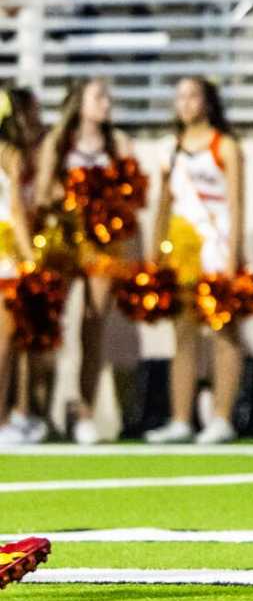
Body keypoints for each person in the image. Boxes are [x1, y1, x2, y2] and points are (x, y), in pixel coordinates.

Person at [143, 78, 247, 447]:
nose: (186, 103)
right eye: (180, 96)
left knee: (224, 332)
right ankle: (180, 419)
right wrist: (155, 253)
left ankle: (221, 417)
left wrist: (233, 256)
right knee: (183, 335)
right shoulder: (169, 149)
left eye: (193, 96)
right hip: (181, 250)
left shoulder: (225, 146)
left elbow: (235, 204)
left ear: (208, 101)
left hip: (216, 247)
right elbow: (163, 204)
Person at [35, 79, 139, 445]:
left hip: (103, 245)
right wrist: (75, 194)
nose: (106, 103)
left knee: (93, 328)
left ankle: (84, 411)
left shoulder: (118, 143)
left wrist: (107, 199)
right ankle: (41, 411)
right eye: (98, 97)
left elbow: (132, 193)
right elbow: (42, 192)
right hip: (64, 242)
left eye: (108, 97)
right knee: (50, 328)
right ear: (80, 103)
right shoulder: (58, 141)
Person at [0, 87, 47, 447]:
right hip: (5, 254)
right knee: (4, 341)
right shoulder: (10, 154)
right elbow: (15, 210)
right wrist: (30, 257)